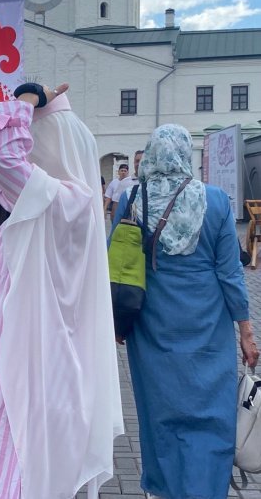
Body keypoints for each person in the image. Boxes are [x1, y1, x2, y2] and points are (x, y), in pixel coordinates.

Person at [0, 83, 123, 498]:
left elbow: (2, 157)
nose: (29, 150)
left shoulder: (65, 202)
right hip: (12, 353)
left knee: (9, 467)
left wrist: (27, 98)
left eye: (36, 141)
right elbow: (2, 169)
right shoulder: (50, 201)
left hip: (26, 361)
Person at [111, 124, 259, 499]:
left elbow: (118, 267)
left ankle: (166, 488)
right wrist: (245, 331)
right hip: (208, 327)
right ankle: (205, 488)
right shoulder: (216, 200)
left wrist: (116, 322)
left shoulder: (132, 200)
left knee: (160, 413)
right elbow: (229, 274)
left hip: (152, 328)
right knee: (212, 414)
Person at [110, 149, 144, 215]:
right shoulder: (124, 183)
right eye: (137, 161)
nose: (139, 164)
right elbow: (116, 205)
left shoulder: (153, 183)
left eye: (142, 161)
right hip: (129, 223)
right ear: (133, 162)